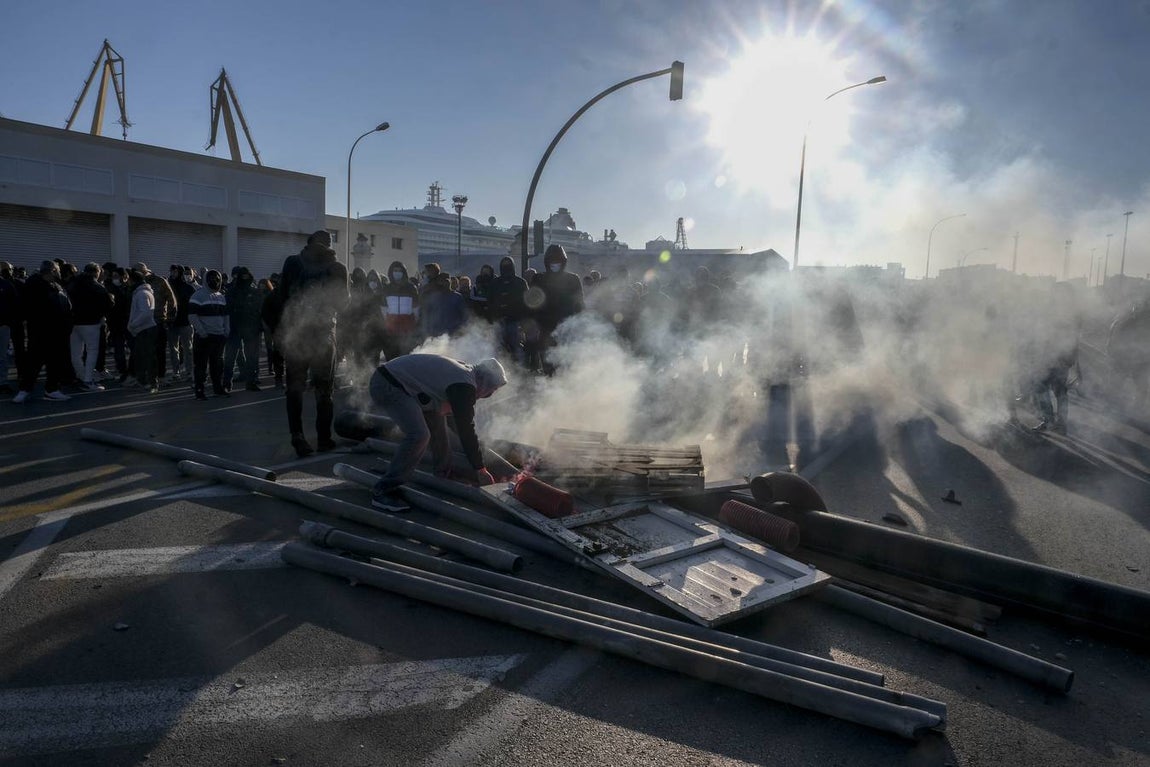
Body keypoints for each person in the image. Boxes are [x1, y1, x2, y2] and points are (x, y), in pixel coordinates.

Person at [367, 354, 507, 509]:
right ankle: (383, 490)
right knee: (419, 435)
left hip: (403, 385)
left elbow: (456, 422)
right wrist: (480, 468)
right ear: (486, 382)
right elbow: (465, 428)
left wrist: (477, 447)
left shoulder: (466, 376)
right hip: (388, 384)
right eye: (493, 389)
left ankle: (443, 473)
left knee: (437, 421)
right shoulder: (464, 385)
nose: (491, 393)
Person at [278, 230, 348, 456]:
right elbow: (343, 304)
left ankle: (297, 437)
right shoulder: (337, 268)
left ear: (308, 243)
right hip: (324, 334)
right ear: (330, 244)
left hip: (296, 333)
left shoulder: (292, 262)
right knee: (324, 391)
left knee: (294, 389)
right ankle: (324, 439)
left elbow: (281, 297)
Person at [14, 261, 74, 402]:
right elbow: (33, 308)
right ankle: (27, 389)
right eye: (57, 270)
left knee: (53, 362)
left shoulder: (54, 285)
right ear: (52, 271)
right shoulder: (35, 286)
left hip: (55, 331)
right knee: (35, 361)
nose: (59, 273)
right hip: (42, 330)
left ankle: (50, 389)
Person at [532, 244, 584, 374]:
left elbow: (579, 303)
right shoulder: (539, 278)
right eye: (552, 260)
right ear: (546, 261)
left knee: (566, 362)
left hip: (566, 326)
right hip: (545, 326)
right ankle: (550, 382)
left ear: (564, 261)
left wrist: (579, 323)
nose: (554, 263)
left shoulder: (572, 279)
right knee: (547, 361)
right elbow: (532, 303)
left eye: (558, 260)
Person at [67, 262, 114, 392]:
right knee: (92, 351)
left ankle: (81, 376)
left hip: (74, 322)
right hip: (91, 323)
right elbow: (108, 304)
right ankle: (88, 380)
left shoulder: (73, 284)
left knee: (76, 353)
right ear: (96, 272)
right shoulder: (96, 286)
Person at [188, 269, 230, 400]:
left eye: (217, 279)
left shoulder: (221, 296)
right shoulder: (197, 296)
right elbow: (192, 316)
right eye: (211, 279)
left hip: (219, 337)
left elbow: (226, 316)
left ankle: (218, 388)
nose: (215, 281)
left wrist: (226, 331)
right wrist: (202, 332)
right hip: (203, 337)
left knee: (217, 365)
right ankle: (199, 391)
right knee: (201, 365)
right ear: (206, 280)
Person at [223, 266, 264, 392]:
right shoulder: (231, 291)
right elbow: (227, 310)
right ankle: (227, 384)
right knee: (231, 357)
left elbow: (260, 310)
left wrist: (259, 326)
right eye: (243, 276)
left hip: (250, 328)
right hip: (235, 327)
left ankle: (250, 382)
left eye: (246, 276)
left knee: (250, 357)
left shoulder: (255, 292)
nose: (244, 278)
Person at [126, 268, 159, 394]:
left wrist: (133, 325)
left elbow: (145, 313)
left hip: (145, 329)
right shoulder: (142, 292)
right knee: (143, 357)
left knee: (147, 358)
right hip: (144, 329)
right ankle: (145, 381)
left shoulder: (142, 294)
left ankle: (151, 383)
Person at [488, 256, 528, 359]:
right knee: (497, 350)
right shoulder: (494, 283)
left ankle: (519, 368)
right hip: (499, 321)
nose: (506, 267)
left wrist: (523, 322)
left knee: (517, 349)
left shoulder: (521, 282)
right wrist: (492, 319)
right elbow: (490, 301)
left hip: (515, 322)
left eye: (508, 265)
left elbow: (527, 304)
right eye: (504, 265)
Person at [382, 260, 420, 360]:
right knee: (391, 356)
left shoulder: (411, 288)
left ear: (404, 272)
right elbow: (384, 309)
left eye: (399, 271)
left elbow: (416, 309)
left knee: (406, 355)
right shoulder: (387, 288)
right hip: (391, 327)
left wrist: (413, 324)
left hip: (407, 327)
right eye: (395, 270)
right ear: (391, 272)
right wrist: (387, 323)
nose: (397, 273)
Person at [167, 264, 196, 382]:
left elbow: (193, 305)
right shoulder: (168, 286)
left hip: (185, 321)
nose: (173, 273)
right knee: (173, 349)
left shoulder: (188, 288)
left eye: (175, 271)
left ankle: (189, 371)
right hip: (171, 322)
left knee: (188, 348)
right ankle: (176, 371)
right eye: (171, 271)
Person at [0, 262, 21, 394]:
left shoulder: (6, 285)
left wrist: (9, 321)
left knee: (2, 355)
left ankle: (2, 381)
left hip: (3, 325)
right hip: (4, 324)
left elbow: (15, 304)